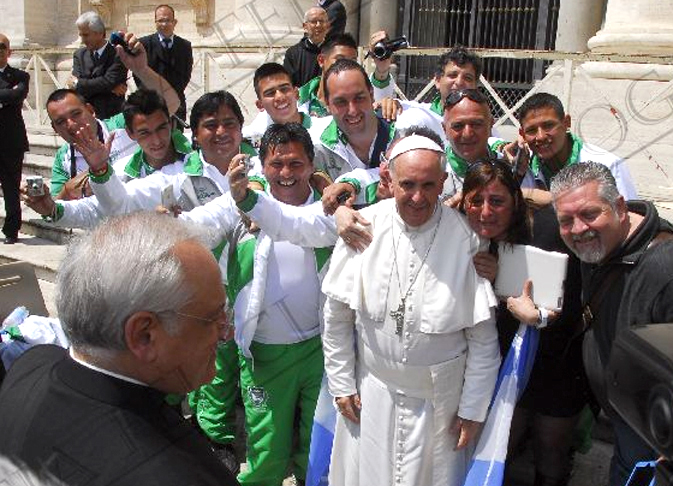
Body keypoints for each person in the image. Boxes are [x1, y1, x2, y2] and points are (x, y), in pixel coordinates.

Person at [0, 211, 240, 486]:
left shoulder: (32, 363)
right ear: (144, 336)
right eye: (213, 319)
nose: (227, 332)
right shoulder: (178, 474)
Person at [320, 133, 500, 486]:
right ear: (389, 180)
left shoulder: (467, 239)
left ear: (443, 182)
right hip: (372, 391)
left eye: (428, 185)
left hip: (441, 405)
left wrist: (473, 408)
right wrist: (341, 383)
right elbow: (337, 317)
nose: (418, 197)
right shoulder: (361, 227)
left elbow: (482, 339)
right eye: (408, 185)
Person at [181, 123, 328, 486]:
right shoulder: (238, 204)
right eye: (277, 164)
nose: (286, 173)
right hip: (264, 353)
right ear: (263, 166)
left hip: (320, 350)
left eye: (296, 164)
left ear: (311, 165)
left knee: (318, 445)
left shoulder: (328, 209)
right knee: (266, 451)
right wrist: (170, 223)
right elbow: (198, 225)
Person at [459, 160, 588, 486]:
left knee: (551, 449)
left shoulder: (548, 231)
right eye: (476, 201)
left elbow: (573, 306)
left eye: (497, 201)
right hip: (503, 367)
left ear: (515, 201)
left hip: (558, 363)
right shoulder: (461, 235)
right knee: (500, 445)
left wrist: (511, 285)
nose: (485, 211)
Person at [550, 162, 673, 486]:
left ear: (619, 206)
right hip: (623, 419)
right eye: (566, 220)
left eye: (589, 214)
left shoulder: (665, 268)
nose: (578, 229)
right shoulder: (599, 246)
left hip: (654, 439)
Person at [49, 31, 181, 199]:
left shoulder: (119, 126)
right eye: (61, 121)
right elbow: (55, 207)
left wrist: (141, 69)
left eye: (76, 114)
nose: (71, 124)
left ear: (90, 110)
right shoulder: (63, 157)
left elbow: (171, 104)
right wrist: (70, 190)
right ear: (55, 129)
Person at [518, 93, 638, 200]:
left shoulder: (608, 165)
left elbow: (629, 214)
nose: (540, 137)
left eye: (548, 126)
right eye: (531, 130)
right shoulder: (522, 168)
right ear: (522, 134)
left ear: (566, 123)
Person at [310, 58, 395, 181]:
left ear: (371, 95)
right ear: (327, 104)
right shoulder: (316, 149)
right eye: (341, 102)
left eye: (359, 98)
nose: (353, 111)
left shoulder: (401, 135)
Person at [137, 4, 193, 127]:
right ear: (155, 22)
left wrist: (170, 95)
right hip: (150, 104)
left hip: (176, 103)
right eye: (160, 20)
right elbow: (139, 74)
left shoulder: (185, 46)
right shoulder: (144, 44)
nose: (164, 24)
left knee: (176, 136)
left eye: (167, 20)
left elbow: (186, 75)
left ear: (174, 22)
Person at [68, 11, 127, 119]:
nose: (82, 40)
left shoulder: (118, 53)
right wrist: (109, 88)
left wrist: (78, 83)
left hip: (112, 117)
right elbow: (76, 90)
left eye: (86, 35)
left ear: (99, 33)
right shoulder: (79, 55)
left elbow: (109, 81)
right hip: (86, 116)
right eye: (81, 35)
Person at [0, 33, 29, 244]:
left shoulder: (20, 76)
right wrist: (6, 96)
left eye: (2, 47)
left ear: (9, 51)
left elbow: (17, 96)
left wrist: (9, 96)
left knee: (11, 187)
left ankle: (12, 230)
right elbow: (9, 96)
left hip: (11, 140)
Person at [242, 63, 313, 146]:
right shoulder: (251, 141)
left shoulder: (321, 132)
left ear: (296, 93)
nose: (280, 97)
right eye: (270, 93)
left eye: (284, 89)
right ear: (260, 105)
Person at [283, 7, 329, 88]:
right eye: (314, 21)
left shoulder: (335, 51)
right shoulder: (293, 54)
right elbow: (288, 84)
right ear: (305, 26)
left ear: (328, 26)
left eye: (322, 21)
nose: (318, 25)